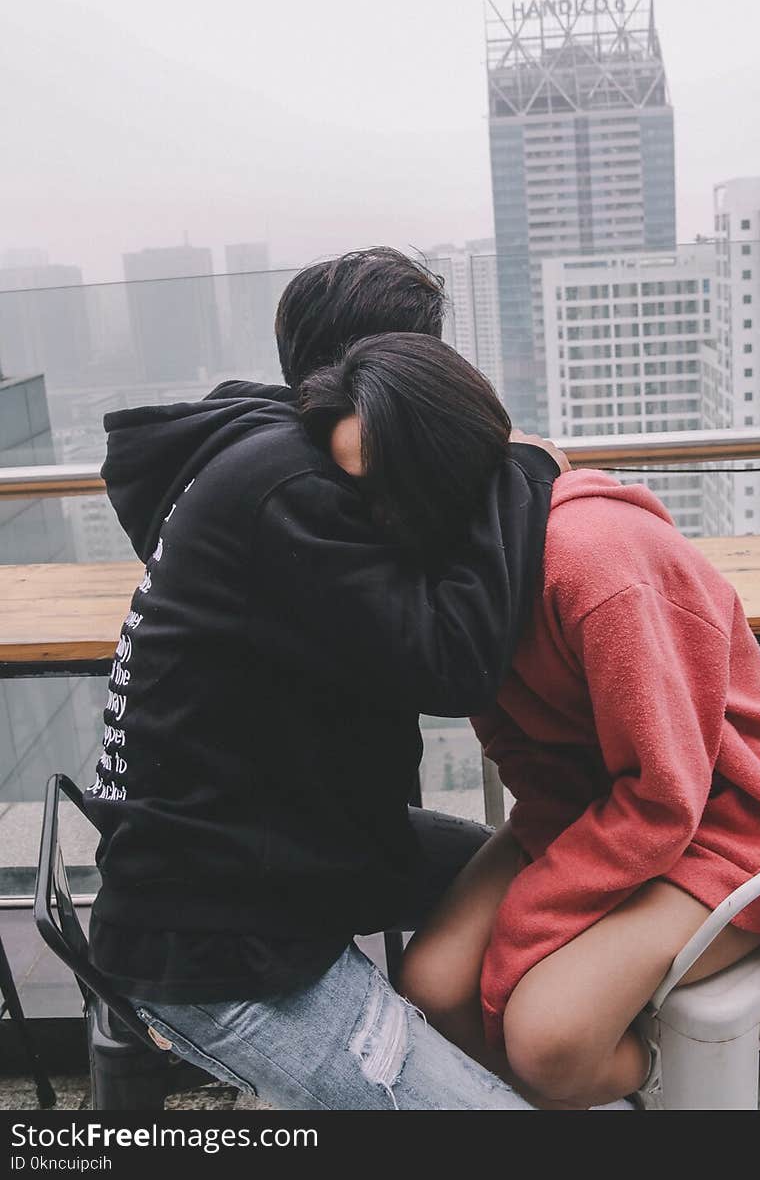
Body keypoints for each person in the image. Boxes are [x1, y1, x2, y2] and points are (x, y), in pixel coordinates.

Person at [85, 248, 566, 1111]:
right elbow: (451, 658)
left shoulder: (255, 453)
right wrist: (524, 469)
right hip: (219, 939)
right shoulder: (285, 485)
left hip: (274, 847)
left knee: (555, 871)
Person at [304, 332, 760, 1109]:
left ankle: (646, 1083)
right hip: (602, 812)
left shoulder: (593, 563)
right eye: (355, 493)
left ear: (443, 462)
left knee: (547, 1037)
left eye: (385, 488)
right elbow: (530, 765)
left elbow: (668, 794)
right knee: (432, 987)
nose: (371, 517)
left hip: (734, 826)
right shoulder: (457, 582)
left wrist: (526, 934)